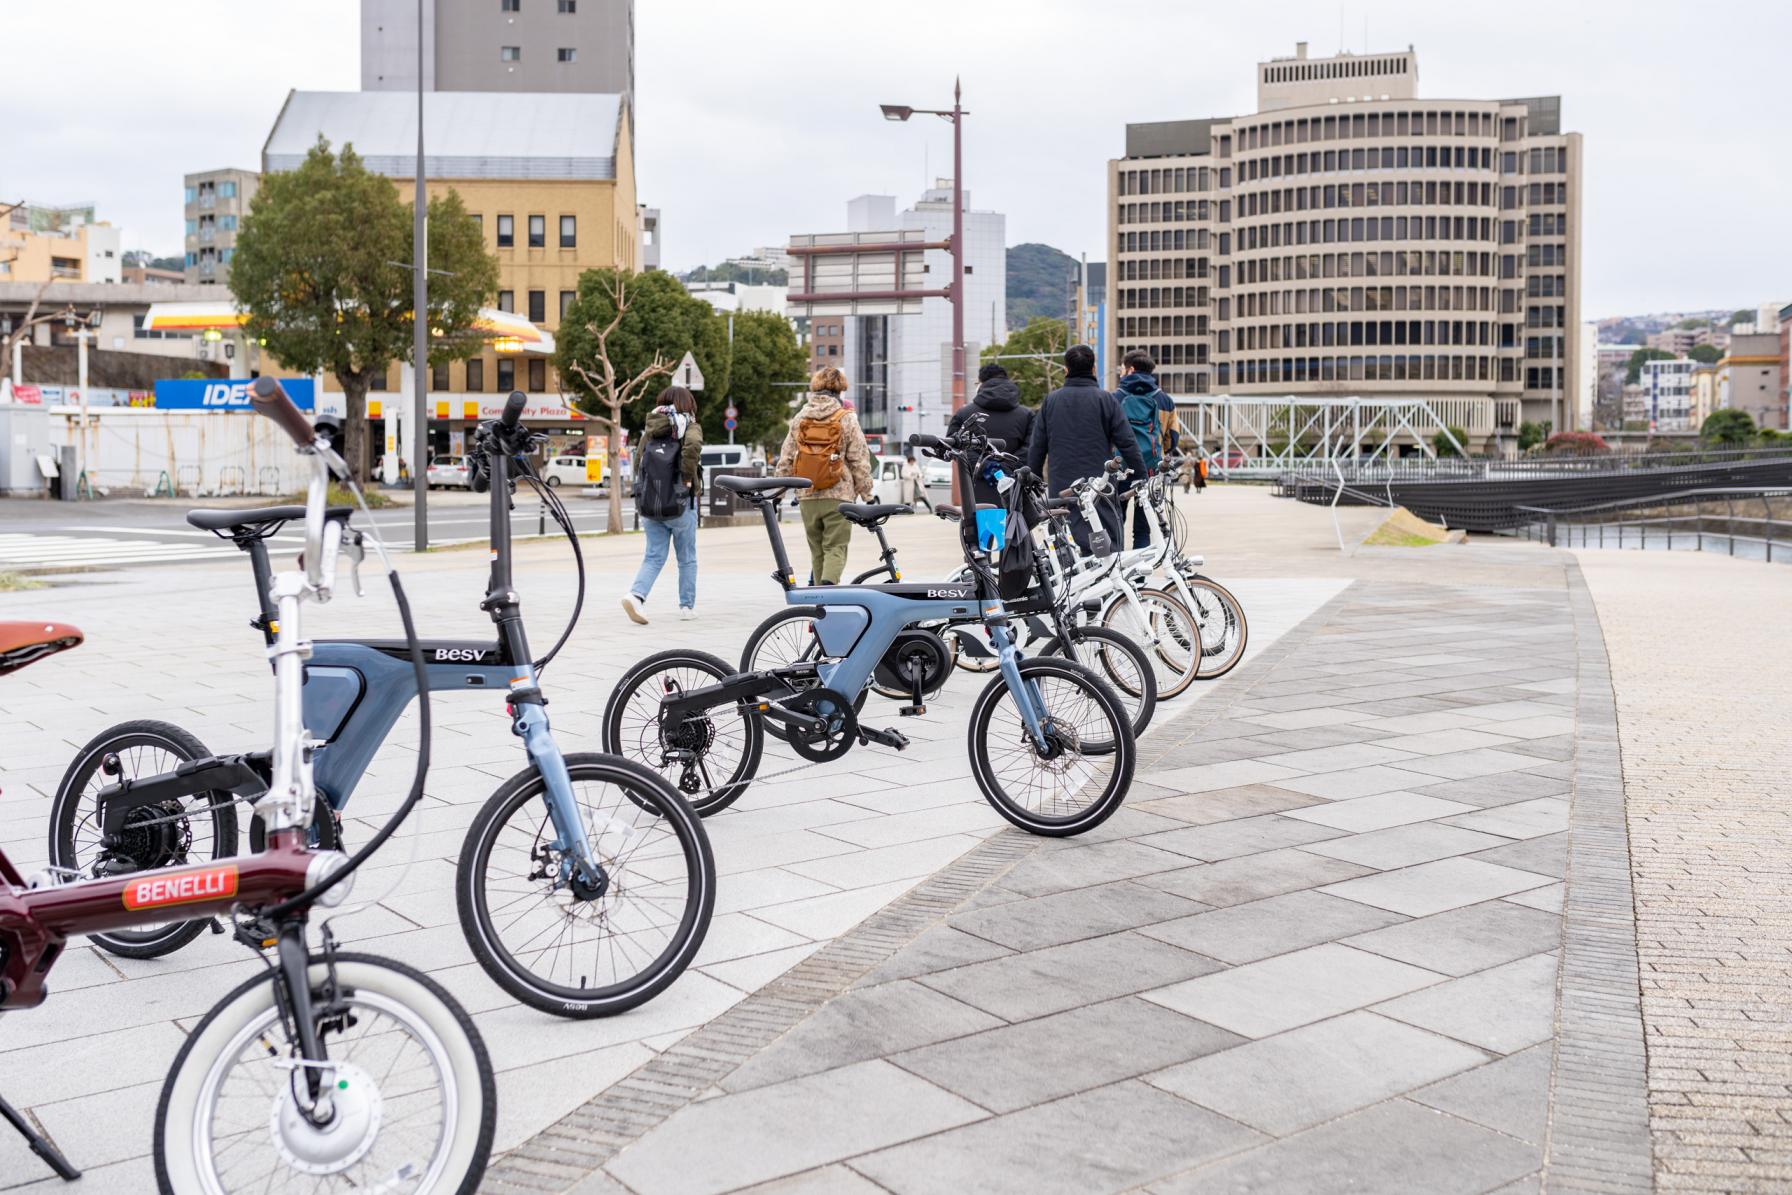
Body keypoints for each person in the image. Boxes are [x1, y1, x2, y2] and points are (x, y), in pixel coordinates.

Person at [1027, 345, 1145, 554]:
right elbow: (1127, 442)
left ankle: (1070, 584)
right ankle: (1106, 585)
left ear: (1066, 369)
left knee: (1066, 543)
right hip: (1100, 484)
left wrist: (1033, 481)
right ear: (1093, 369)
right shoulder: (1106, 400)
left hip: (1062, 485)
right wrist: (1141, 475)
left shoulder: (1051, 401)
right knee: (1106, 543)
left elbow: (1037, 446)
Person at [776, 367, 873, 584]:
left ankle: (819, 602)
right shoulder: (846, 418)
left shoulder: (800, 417)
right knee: (835, 548)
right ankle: (829, 594)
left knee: (817, 552)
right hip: (839, 494)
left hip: (807, 494)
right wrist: (867, 495)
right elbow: (859, 459)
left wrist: (777, 495)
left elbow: (787, 457)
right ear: (840, 391)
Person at [622, 386, 703, 623]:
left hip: (651, 503)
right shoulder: (689, 424)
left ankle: (636, 596)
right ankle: (687, 607)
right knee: (686, 557)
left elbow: (638, 461)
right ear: (687, 404)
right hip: (679, 502)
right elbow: (693, 448)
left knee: (653, 556)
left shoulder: (651, 427)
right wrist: (687, 479)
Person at [947, 362, 1034, 508]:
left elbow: (954, 446)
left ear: (981, 383)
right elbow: (1032, 447)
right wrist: (1008, 467)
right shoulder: (1027, 415)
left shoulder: (964, 414)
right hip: (1016, 487)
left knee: (980, 528)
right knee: (1015, 528)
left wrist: (986, 466)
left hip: (975, 490)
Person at [1114, 350, 1174, 548]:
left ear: (1130, 369)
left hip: (1120, 469)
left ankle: (1118, 575)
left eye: (1122, 369)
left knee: (1116, 524)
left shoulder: (1115, 397)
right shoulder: (1165, 400)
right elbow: (1172, 439)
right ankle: (1140, 578)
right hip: (1150, 471)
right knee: (1142, 529)